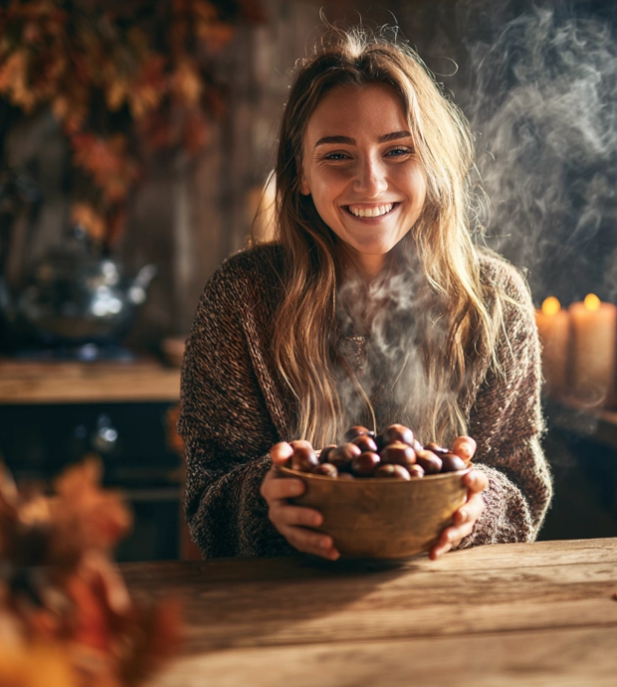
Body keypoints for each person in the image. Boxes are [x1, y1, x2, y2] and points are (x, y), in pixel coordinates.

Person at [178, 27, 552, 560]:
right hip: (279, 604)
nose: (371, 182)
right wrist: (267, 501)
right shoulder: (241, 298)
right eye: (336, 156)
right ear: (300, 173)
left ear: (434, 164)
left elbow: (521, 493)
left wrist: (477, 508)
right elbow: (205, 499)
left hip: (454, 606)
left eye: (398, 150)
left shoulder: (495, 302)